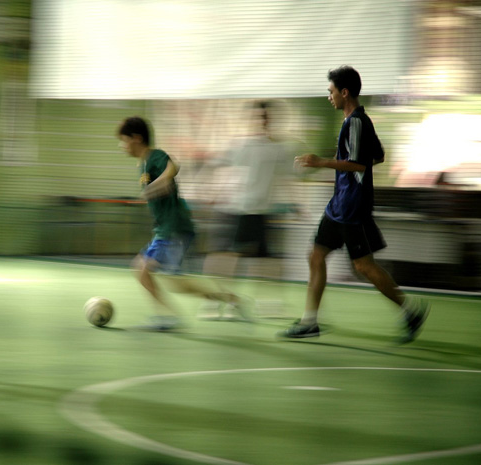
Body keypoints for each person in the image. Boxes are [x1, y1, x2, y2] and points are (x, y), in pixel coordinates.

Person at [279, 66, 429, 343]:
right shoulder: (356, 122)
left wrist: (322, 162)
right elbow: (378, 156)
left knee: (363, 267)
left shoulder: (357, 122)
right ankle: (310, 321)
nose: (329, 97)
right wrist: (353, 172)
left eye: (331, 91)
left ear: (344, 92)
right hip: (339, 205)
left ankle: (410, 311)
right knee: (315, 255)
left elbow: (360, 162)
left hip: (351, 208)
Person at [118, 116, 244, 331]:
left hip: (173, 229)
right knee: (176, 283)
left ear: (136, 138)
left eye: (123, 140)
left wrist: (163, 181)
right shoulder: (143, 165)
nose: (122, 146)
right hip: (166, 230)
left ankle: (167, 317)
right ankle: (227, 297)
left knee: (143, 270)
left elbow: (173, 165)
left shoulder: (154, 156)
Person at [199, 100, 294, 320]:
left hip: (260, 211)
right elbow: (216, 165)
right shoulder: (240, 146)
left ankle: (267, 305)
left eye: (265, 117)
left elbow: (285, 176)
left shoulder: (278, 149)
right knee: (226, 259)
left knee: (265, 261)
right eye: (257, 117)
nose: (262, 121)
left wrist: (295, 203)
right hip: (238, 209)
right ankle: (217, 303)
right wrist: (212, 193)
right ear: (250, 120)